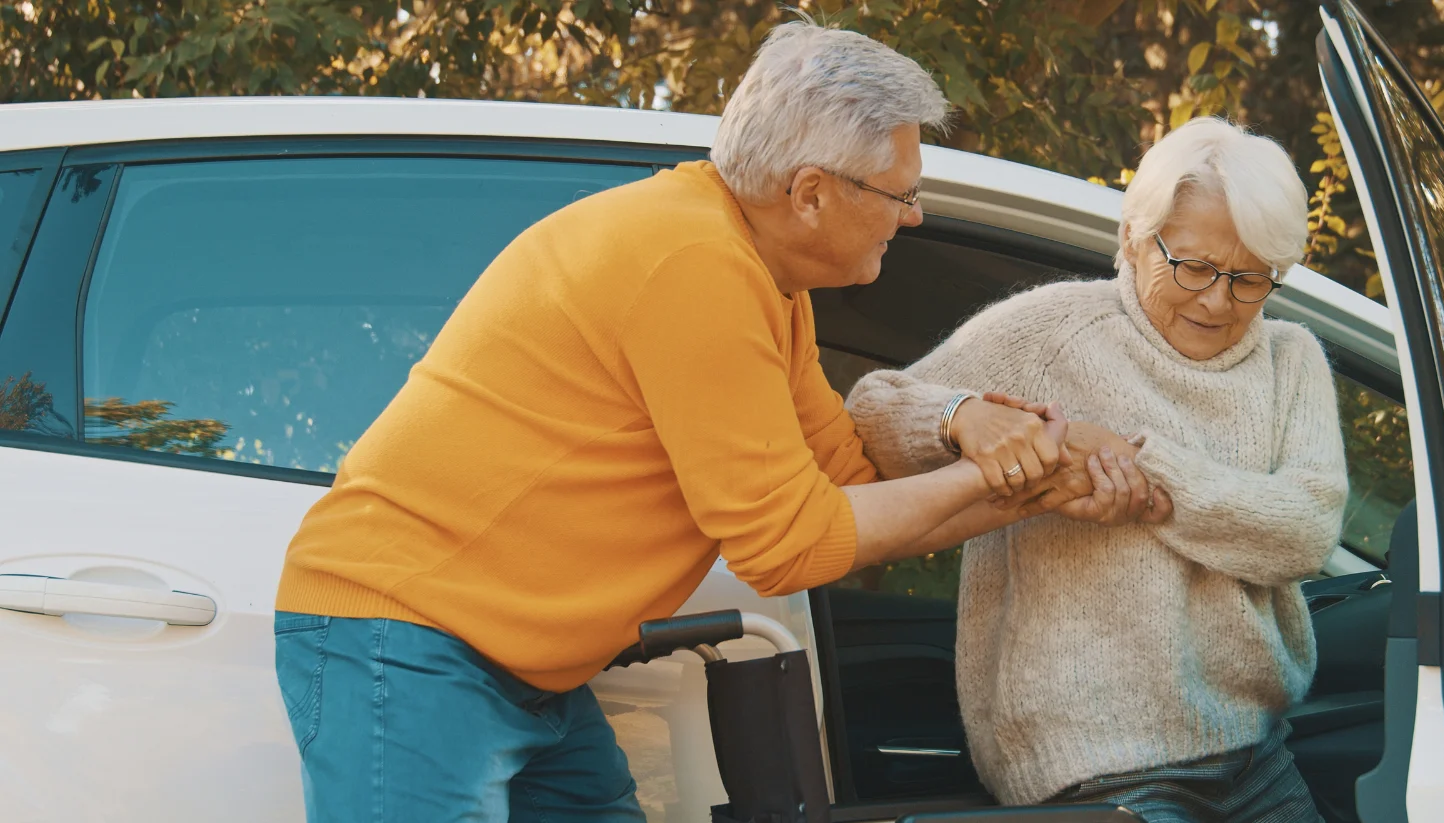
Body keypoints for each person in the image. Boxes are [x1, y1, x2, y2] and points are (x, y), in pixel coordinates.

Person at [271, 21, 1064, 822]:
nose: (916, 216)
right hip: (405, 640)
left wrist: (1030, 480)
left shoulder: (760, 281)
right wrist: (986, 471)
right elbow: (790, 541)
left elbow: (847, 479)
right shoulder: (694, 263)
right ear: (812, 192)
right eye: (901, 193)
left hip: (520, 665)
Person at [846, 117, 1349, 823]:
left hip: (1256, 752)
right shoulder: (1052, 330)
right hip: (1091, 765)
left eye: (1249, 279)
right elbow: (871, 414)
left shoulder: (1291, 358)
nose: (1216, 300)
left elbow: (1306, 530)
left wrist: (1148, 477)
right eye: (1195, 268)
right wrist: (965, 417)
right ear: (1134, 240)